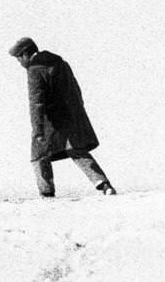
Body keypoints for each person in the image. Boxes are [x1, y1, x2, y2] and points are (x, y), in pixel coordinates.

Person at [8, 36, 116, 197]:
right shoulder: (60, 63)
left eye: (19, 59)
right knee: (76, 150)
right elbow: (76, 89)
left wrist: (37, 130)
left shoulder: (35, 69)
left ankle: (47, 193)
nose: (20, 63)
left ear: (25, 54)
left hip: (51, 120)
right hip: (72, 115)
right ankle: (104, 185)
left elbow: (36, 103)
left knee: (38, 156)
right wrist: (77, 111)